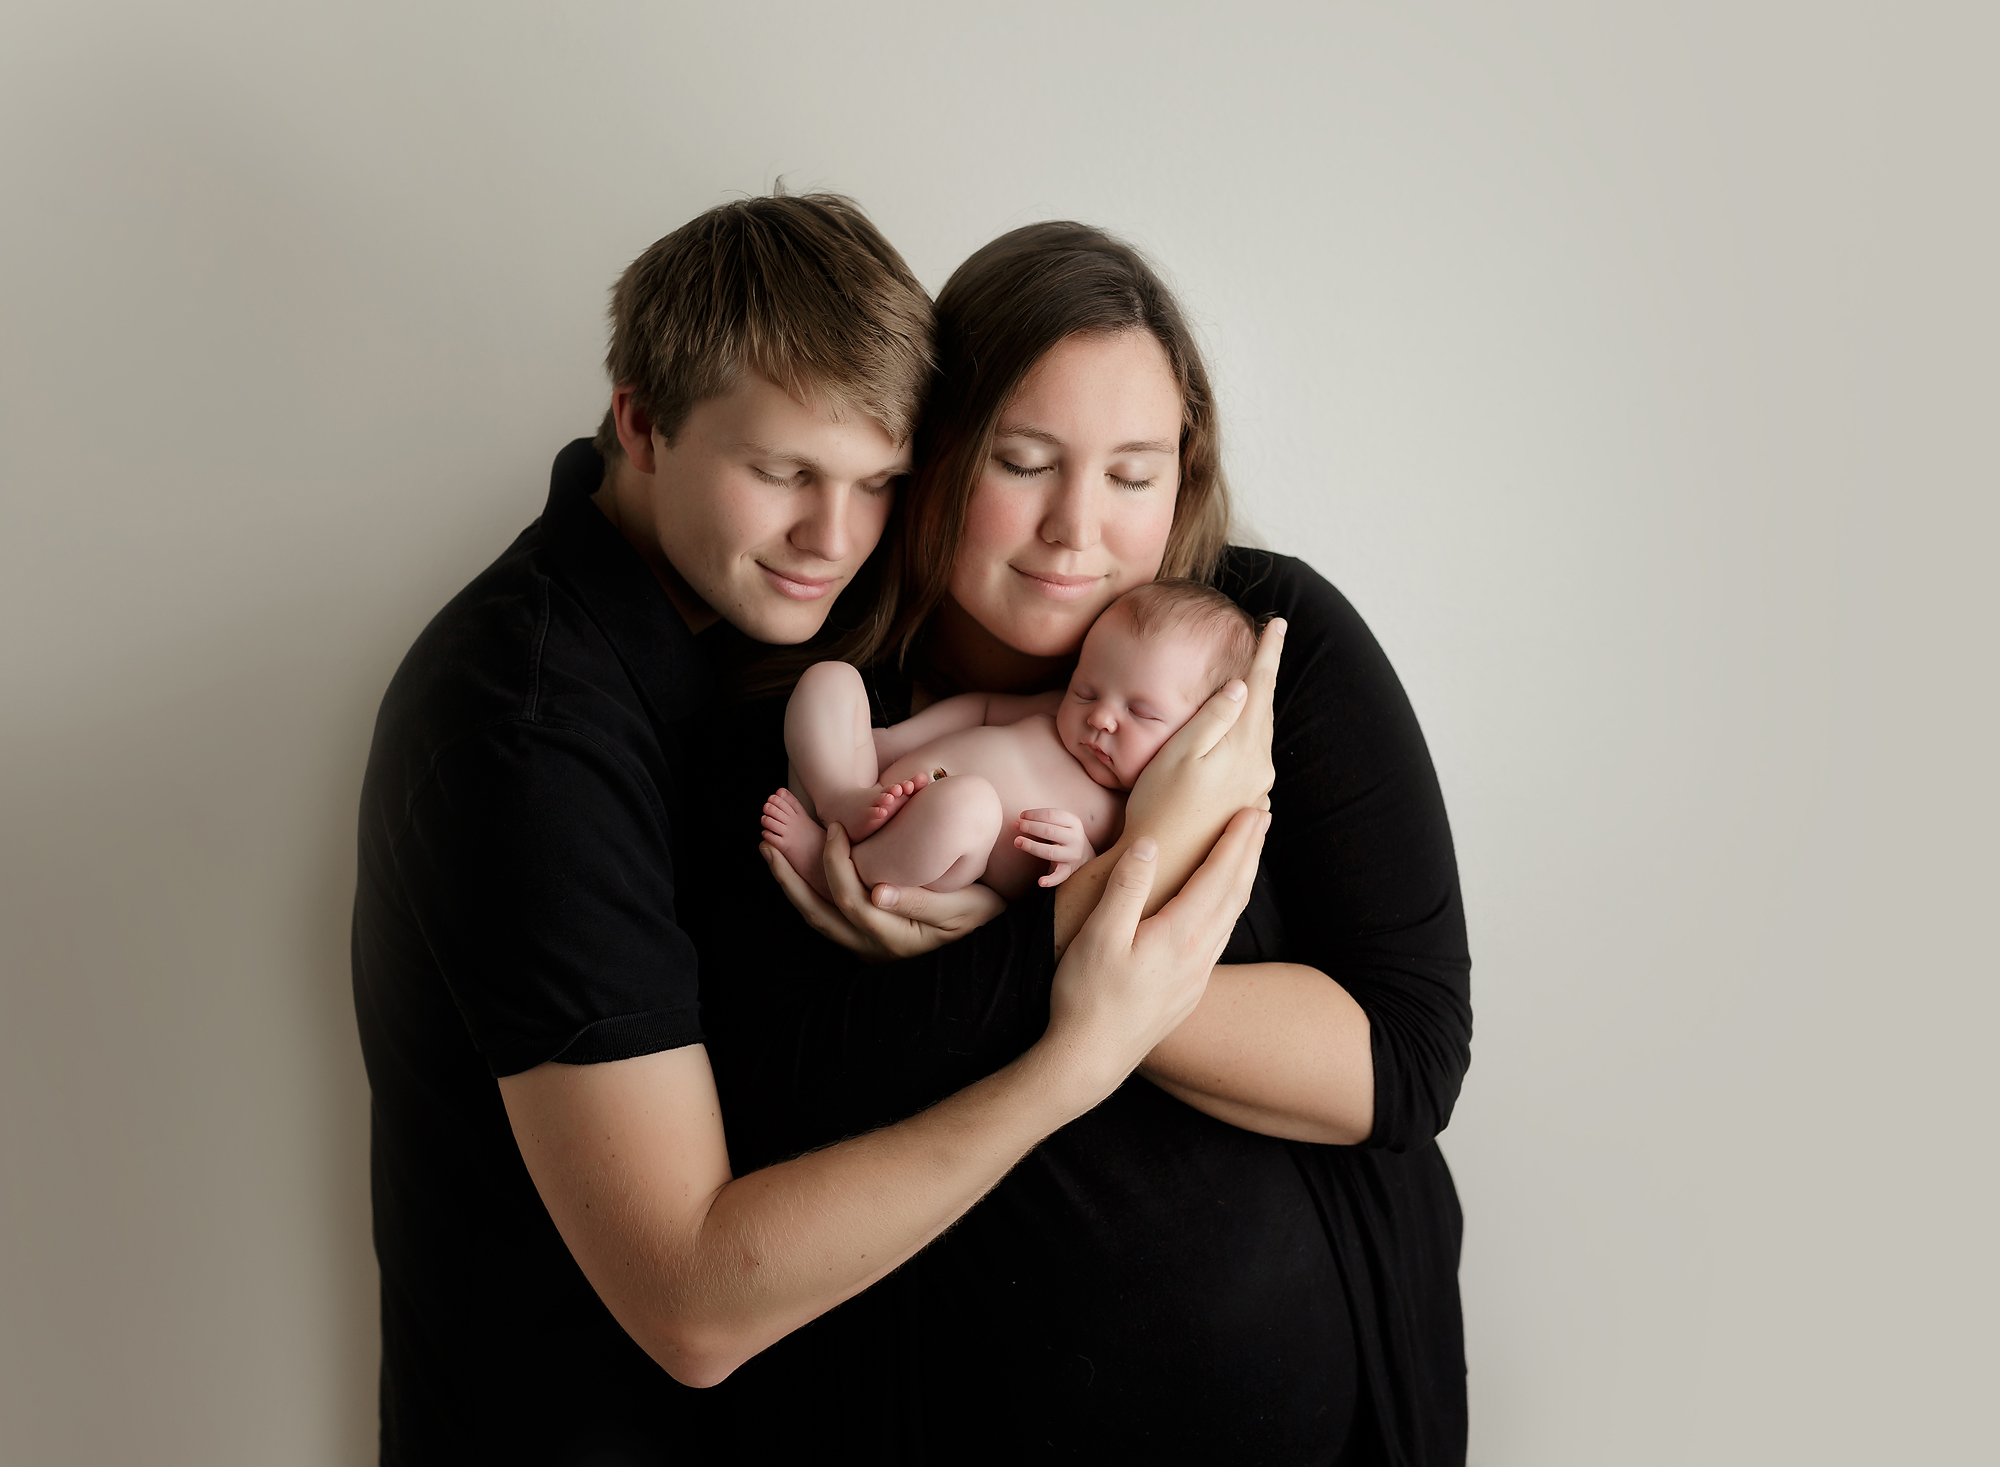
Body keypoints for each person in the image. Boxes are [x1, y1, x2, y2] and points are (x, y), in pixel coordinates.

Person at [349, 195, 1274, 1465]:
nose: (830, 540)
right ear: (639, 421)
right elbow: (687, 1304)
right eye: (782, 472)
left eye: (877, 482)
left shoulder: (730, 643)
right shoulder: (527, 733)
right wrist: (1077, 1057)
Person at [698, 221, 1471, 1464]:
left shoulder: (1276, 655)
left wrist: (1067, 933)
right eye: (1023, 460)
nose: (1075, 528)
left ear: (1186, 474)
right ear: (933, 451)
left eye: (1131, 473)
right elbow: (791, 1090)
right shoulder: (819, 707)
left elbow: (1403, 1062)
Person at [762, 579, 1259, 900]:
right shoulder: (1050, 712)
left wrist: (1080, 859)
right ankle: (834, 796)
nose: (1101, 717)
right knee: (832, 679)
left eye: (1141, 712)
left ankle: (834, 872)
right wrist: (893, 741)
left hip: (922, 865)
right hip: (869, 790)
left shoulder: (1128, 815)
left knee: (970, 802)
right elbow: (981, 708)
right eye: (1086, 690)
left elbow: (1094, 894)